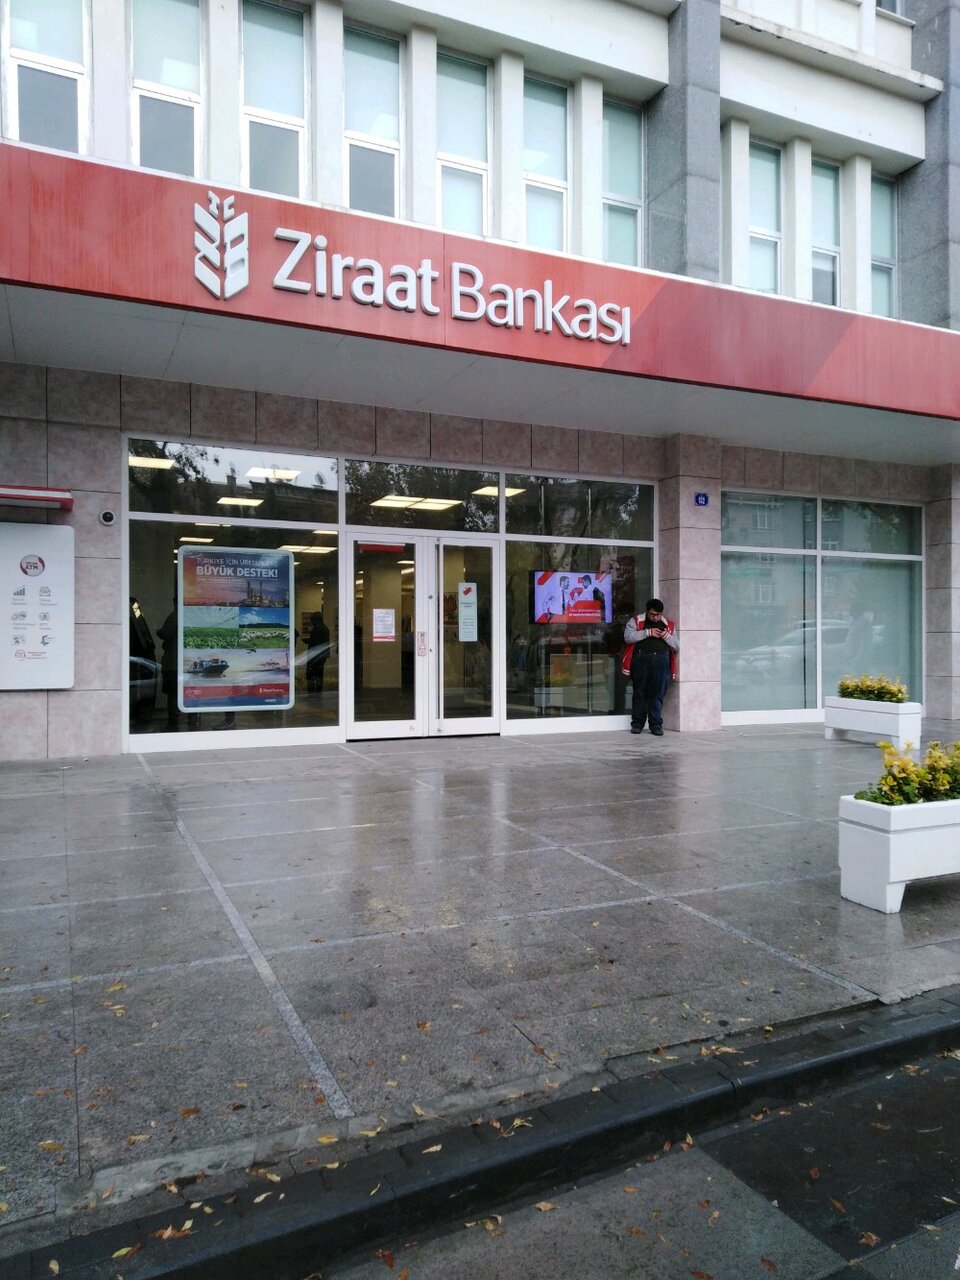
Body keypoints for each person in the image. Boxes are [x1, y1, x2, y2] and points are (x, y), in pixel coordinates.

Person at [620, 597, 678, 735]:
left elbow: (677, 645)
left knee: (657, 693)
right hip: (641, 661)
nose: (655, 617)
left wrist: (666, 636)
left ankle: (656, 725)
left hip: (662, 661)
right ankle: (637, 724)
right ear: (647, 612)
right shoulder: (636, 621)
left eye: (658, 615)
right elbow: (628, 637)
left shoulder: (669, 625)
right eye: (652, 614)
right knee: (639, 692)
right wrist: (647, 633)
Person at [305, 610, 330, 694]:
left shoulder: (316, 629)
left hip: (315, 655)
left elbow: (314, 642)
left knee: (312, 673)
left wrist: (307, 641)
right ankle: (318, 690)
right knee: (319, 673)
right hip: (322, 655)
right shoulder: (325, 628)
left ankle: (313, 691)